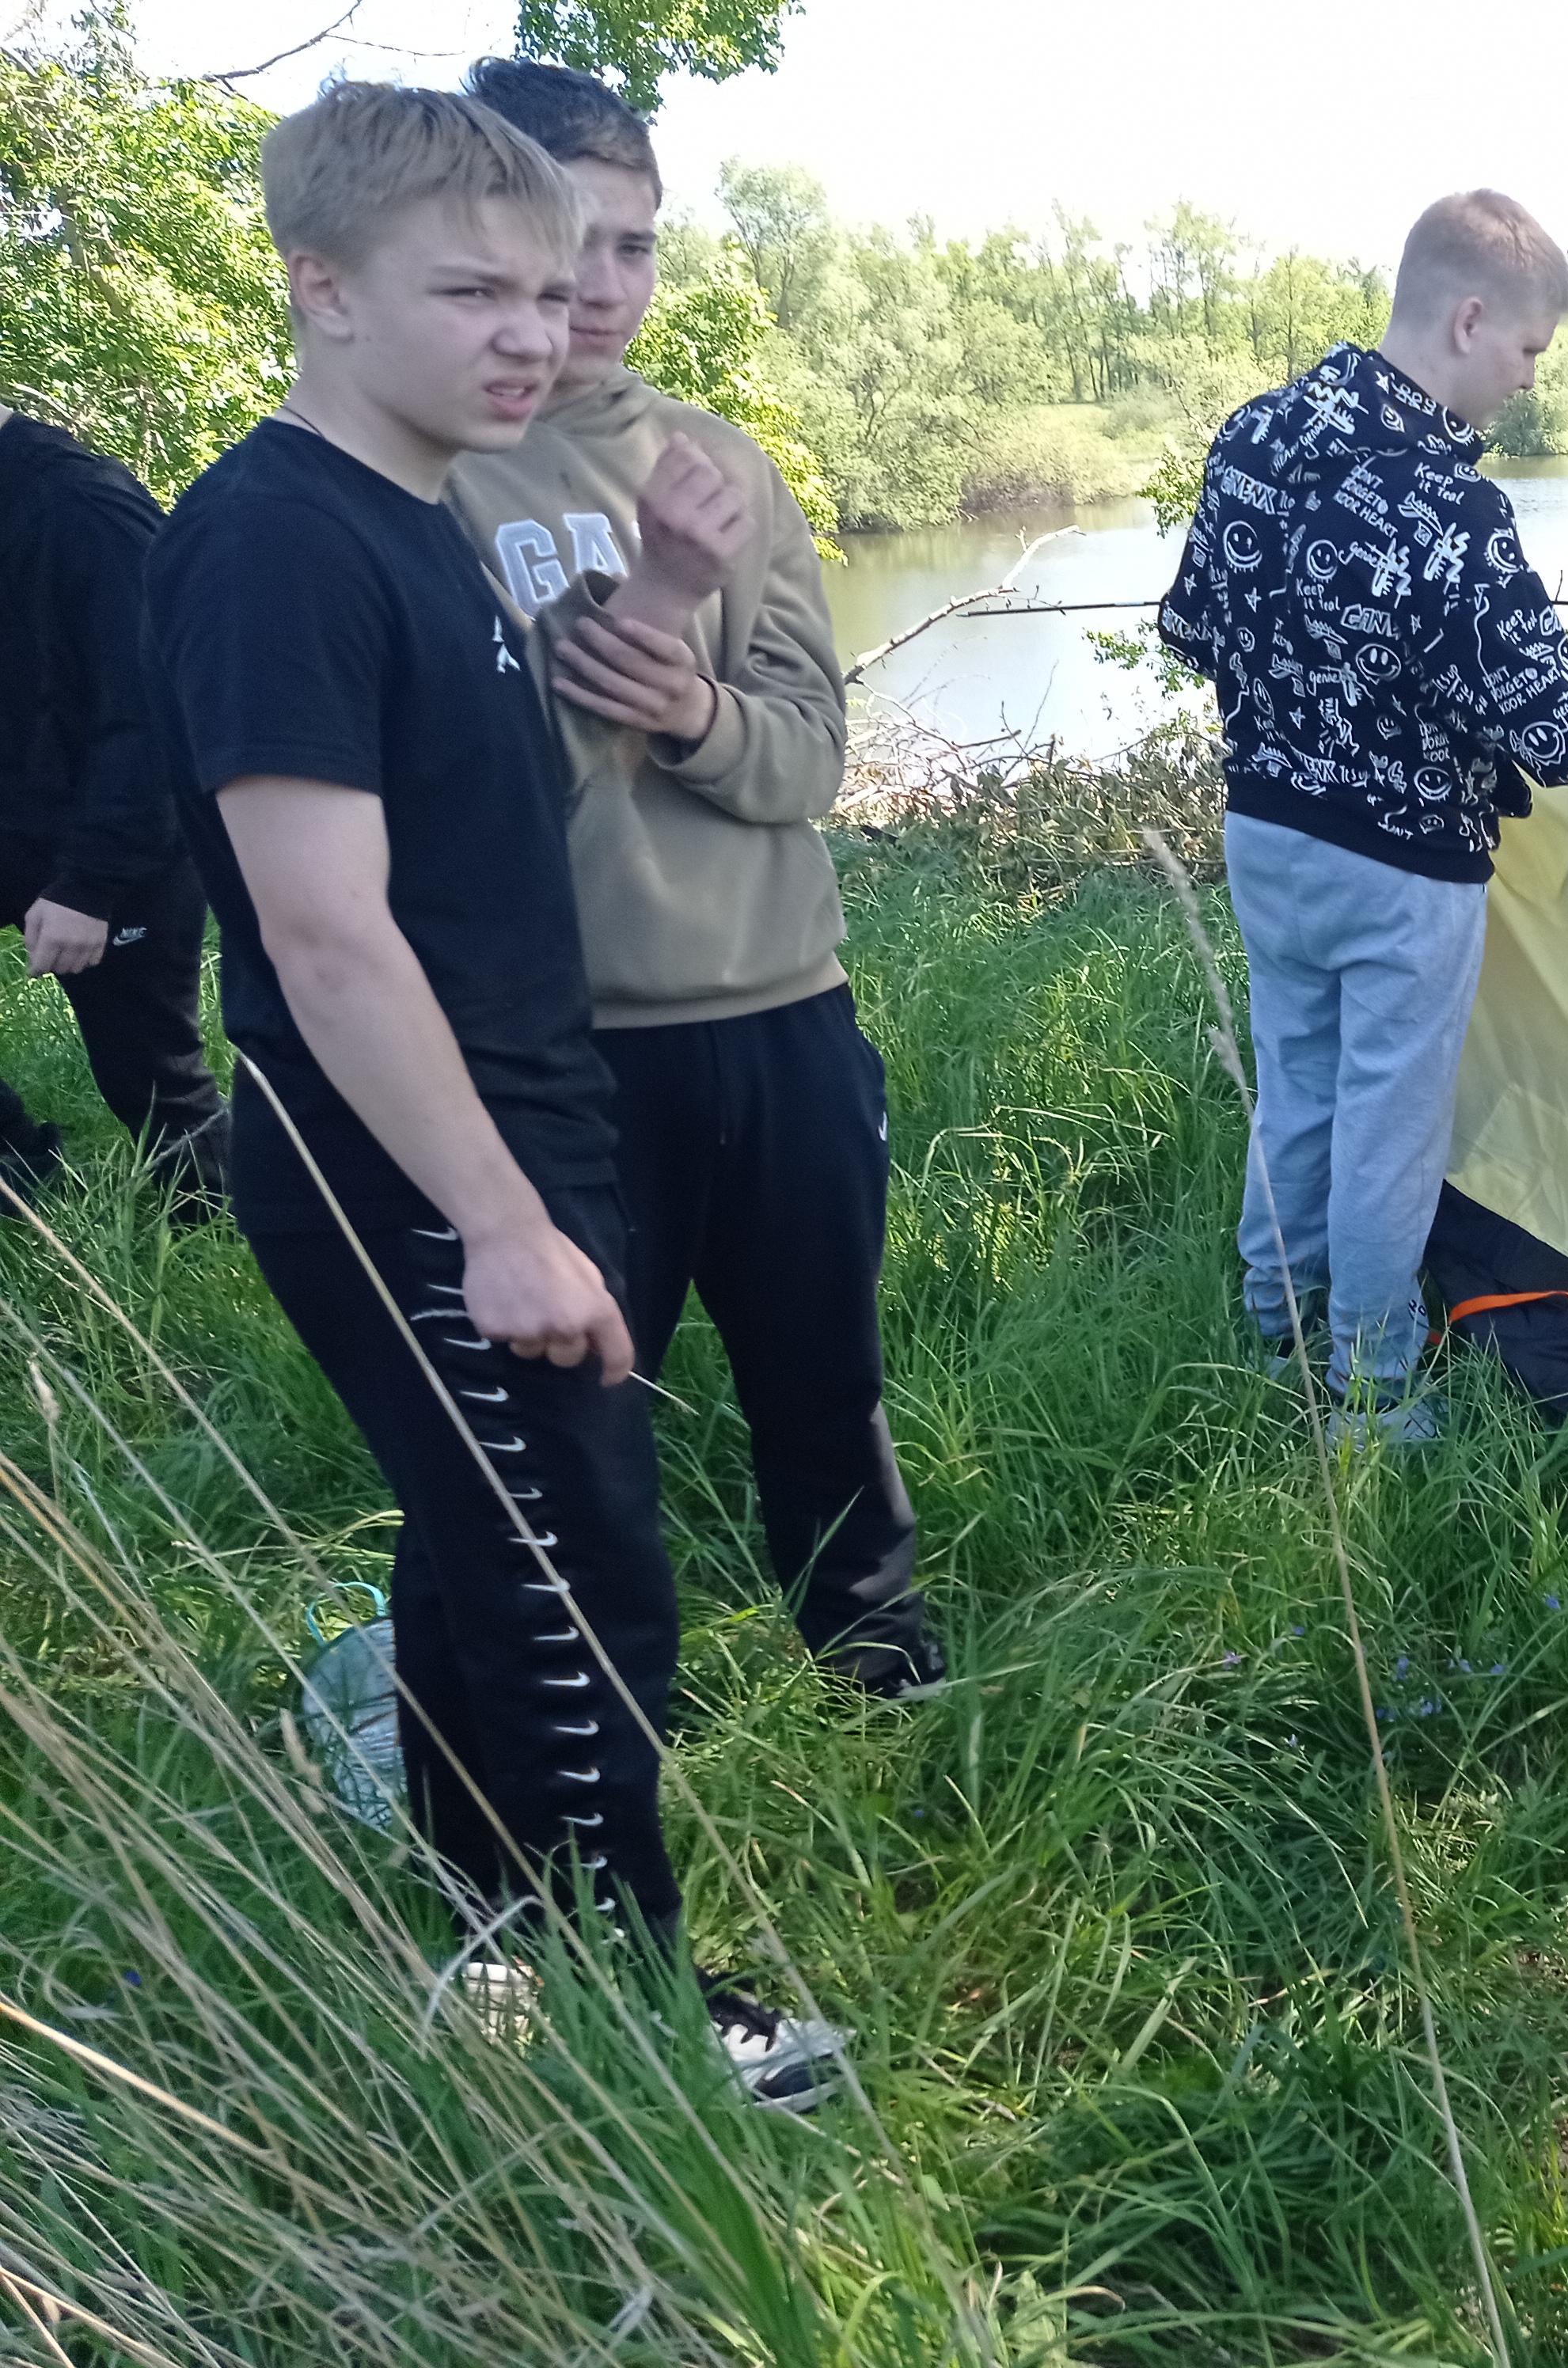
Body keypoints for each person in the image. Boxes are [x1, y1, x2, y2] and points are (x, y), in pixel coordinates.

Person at [143, 82, 836, 2102]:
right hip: (415, 1163)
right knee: (576, 1575)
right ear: (323, 289)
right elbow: (324, 932)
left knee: (481, 1548)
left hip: (517, 1125)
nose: (534, 331)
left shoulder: (416, 516)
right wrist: (499, 1216)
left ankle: (494, 1948)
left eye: (554, 289)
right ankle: (637, 2017)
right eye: (474, 290)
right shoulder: (277, 540)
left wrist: (660, 602)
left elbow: (497, 811)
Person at [450, 59, 942, 1702]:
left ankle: (880, 1669)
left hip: (786, 1011)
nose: (599, 289)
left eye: (635, 246)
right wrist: (643, 633)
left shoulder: (726, 468)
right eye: (564, 240)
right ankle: (598, 1722)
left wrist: (703, 712)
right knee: (584, 1404)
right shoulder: (436, 477)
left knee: (827, 1375)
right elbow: (474, 809)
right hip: (571, 1041)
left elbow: (808, 755)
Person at [1159, 189, 1568, 1436]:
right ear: (1470, 318)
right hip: (1401, 874)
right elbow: (1563, 735)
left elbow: (1191, 627)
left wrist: (1310, 714)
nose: (1529, 382)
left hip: (1264, 835)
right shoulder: (1450, 512)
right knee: (1392, 1123)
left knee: (1297, 1087)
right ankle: (1373, 1391)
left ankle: (1273, 1325)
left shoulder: (1255, 438)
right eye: (1529, 352)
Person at [0, 408, 227, 1201]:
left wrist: (89, 886)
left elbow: (159, 719)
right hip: (15, 817)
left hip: (122, 839)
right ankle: (20, 1175)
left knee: (153, 1078)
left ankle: (228, 1227)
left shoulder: (84, 511)